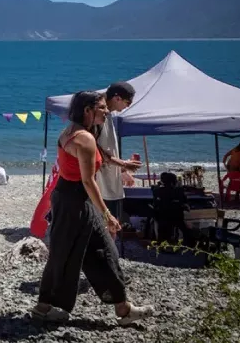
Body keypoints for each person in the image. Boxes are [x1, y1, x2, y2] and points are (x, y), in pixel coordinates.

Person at [33, 91, 153, 325]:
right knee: (64, 255)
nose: (107, 111)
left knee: (101, 252)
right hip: (74, 201)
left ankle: (123, 308)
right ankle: (43, 308)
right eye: (102, 107)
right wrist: (107, 214)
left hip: (70, 198)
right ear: (88, 110)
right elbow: (88, 181)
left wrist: (121, 164)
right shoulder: (83, 138)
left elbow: (98, 157)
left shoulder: (75, 131)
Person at [96, 82, 143, 224]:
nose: (127, 107)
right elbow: (95, 148)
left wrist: (122, 169)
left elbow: (107, 148)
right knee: (106, 227)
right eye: (127, 102)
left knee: (111, 227)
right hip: (100, 183)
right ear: (117, 98)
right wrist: (123, 163)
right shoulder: (99, 118)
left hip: (110, 181)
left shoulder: (108, 116)